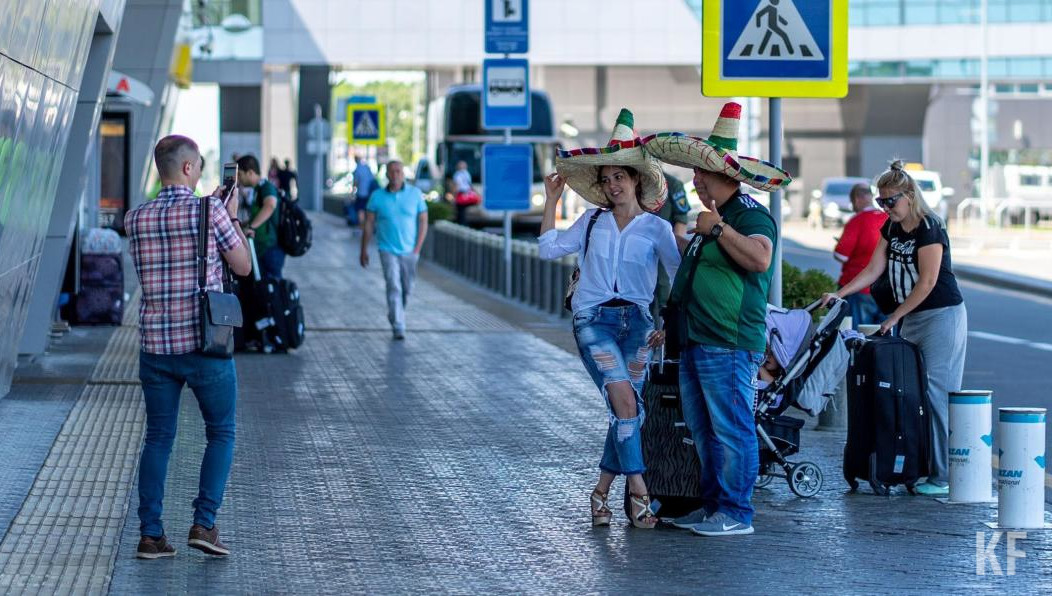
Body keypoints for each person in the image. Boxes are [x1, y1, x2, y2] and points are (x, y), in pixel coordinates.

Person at [644, 101, 792, 536]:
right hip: (699, 339)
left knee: (729, 427)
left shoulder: (748, 216)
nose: (694, 179)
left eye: (701, 173)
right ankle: (714, 507)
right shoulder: (721, 217)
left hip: (728, 341)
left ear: (722, 177)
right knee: (705, 430)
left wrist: (718, 230)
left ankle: (735, 513)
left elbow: (761, 259)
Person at [541, 108, 680, 529]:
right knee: (624, 402)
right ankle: (640, 492)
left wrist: (668, 323)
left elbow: (677, 279)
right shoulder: (592, 221)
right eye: (606, 179)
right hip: (594, 322)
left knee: (627, 410)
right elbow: (548, 249)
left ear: (637, 179)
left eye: (619, 176)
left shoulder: (657, 229)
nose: (612, 184)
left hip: (638, 324)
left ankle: (600, 493)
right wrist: (552, 202)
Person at [124, 135, 251, 559]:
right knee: (222, 432)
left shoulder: (135, 217)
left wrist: (212, 209)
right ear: (186, 169)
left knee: (158, 438)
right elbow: (243, 266)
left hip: (156, 347)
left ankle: (151, 535)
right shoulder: (212, 210)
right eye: (197, 165)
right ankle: (204, 524)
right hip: (205, 344)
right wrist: (230, 218)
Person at [822, 160, 967, 496]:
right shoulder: (891, 229)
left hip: (941, 314)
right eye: (880, 202)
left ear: (910, 196)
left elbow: (928, 282)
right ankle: (917, 465)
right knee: (912, 393)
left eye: (891, 201)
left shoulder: (930, 228)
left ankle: (943, 475)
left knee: (936, 393)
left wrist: (893, 317)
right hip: (912, 316)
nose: (886, 208)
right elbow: (874, 269)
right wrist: (840, 293)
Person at [360, 160, 428, 340]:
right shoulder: (377, 197)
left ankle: (395, 312)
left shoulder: (415, 194)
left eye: (399, 171)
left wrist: (417, 247)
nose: (396, 175)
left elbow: (423, 221)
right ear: (387, 175)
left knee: (407, 288)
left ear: (403, 174)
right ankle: (398, 324)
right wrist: (364, 249)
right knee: (394, 285)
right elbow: (368, 223)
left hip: (410, 251)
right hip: (386, 249)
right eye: (392, 172)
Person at [834, 183, 887, 329]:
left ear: (856, 199)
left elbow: (841, 255)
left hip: (858, 287)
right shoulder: (888, 219)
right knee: (882, 340)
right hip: (885, 290)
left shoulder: (857, 221)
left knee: (857, 337)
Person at [651, 170, 691, 324]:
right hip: (636, 253)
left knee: (664, 301)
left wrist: (672, 252)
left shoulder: (672, 184)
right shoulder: (632, 180)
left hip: (662, 255)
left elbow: (681, 219)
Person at [236, 154, 284, 279]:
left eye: (240, 174)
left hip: (271, 248)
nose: (238, 179)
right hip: (262, 247)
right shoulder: (257, 189)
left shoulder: (266, 186)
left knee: (271, 289)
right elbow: (258, 214)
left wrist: (251, 227)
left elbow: (270, 205)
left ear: (250, 172)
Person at [352, 155, 376, 228]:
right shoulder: (367, 167)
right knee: (368, 210)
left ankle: (362, 226)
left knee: (360, 210)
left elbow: (355, 183)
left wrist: (352, 192)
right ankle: (368, 226)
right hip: (369, 193)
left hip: (361, 193)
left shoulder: (357, 169)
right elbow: (373, 179)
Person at [452, 160, 474, 226]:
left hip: (461, 193)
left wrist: (454, 196)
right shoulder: (467, 173)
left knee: (460, 211)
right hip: (467, 193)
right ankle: (464, 224)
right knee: (463, 211)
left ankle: (462, 224)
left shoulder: (457, 174)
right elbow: (470, 185)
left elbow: (457, 185)